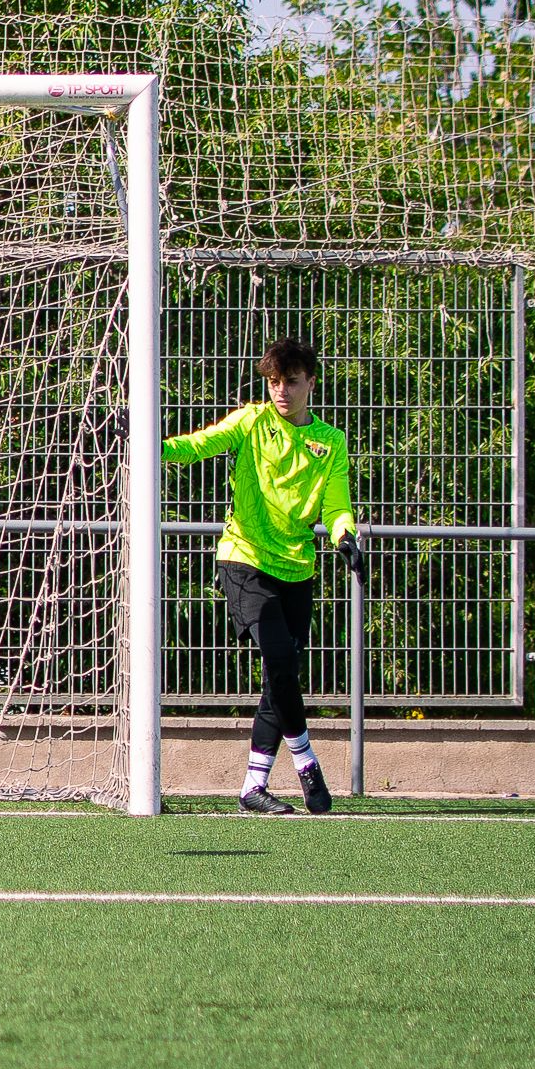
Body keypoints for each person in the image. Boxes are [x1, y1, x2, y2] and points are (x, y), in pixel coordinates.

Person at [164, 337, 359, 814]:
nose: (281, 392)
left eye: (291, 382)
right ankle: (308, 764)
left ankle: (253, 787)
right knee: (278, 657)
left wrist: (345, 536)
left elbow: (336, 506)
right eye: (273, 382)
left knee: (282, 676)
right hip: (244, 558)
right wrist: (148, 441)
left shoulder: (330, 443)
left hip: (298, 568)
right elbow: (197, 446)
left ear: (311, 383)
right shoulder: (252, 421)